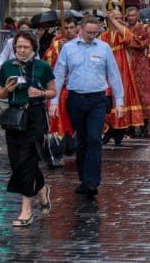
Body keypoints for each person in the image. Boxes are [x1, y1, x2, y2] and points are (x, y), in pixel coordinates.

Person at [50, 15, 125, 198]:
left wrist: (119, 101)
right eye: (89, 32)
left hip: (98, 99)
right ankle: (84, 178)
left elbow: (114, 74)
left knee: (94, 138)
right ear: (80, 30)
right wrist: (53, 101)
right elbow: (59, 76)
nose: (92, 36)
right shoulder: (68, 49)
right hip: (76, 99)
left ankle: (93, 181)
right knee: (82, 140)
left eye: (95, 32)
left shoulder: (104, 48)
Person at [0, 30, 57, 227]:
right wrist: (7, 90)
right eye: (18, 47)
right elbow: (0, 93)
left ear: (33, 48)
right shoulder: (7, 67)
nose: (21, 50)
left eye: (25, 47)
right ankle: (42, 190)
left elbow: (52, 91)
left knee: (28, 160)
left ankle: (26, 210)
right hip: (15, 118)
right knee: (16, 162)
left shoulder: (42, 67)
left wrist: (40, 92)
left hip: (35, 117)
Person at [100, 10, 144, 145]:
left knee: (121, 97)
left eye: (120, 18)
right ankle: (109, 129)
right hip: (107, 71)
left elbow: (130, 39)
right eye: (115, 18)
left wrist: (115, 21)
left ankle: (120, 130)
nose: (118, 20)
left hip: (122, 70)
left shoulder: (122, 33)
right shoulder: (103, 36)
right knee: (108, 99)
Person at [43, 17, 78, 167]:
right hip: (58, 90)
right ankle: (56, 152)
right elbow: (48, 64)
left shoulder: (81, 42)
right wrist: (59, 52)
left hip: (75, 90)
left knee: (73, 120)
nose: (69, 31)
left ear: (76, 28)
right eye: (66, 28)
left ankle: (72, 146)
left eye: (71, 27)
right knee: (56, 120)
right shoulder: (56, 43)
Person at [125, 7, 150, 131]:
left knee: (142, 93)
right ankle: (130, 122)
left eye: (133, 15)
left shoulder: (144, 28)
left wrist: (129, 39)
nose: (131, 18)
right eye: (129, 15)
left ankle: (144, 122)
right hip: (126, 64)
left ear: (137, 16)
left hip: (139, 65)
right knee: (129, 92)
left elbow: (142, 43)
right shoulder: (125, 28)